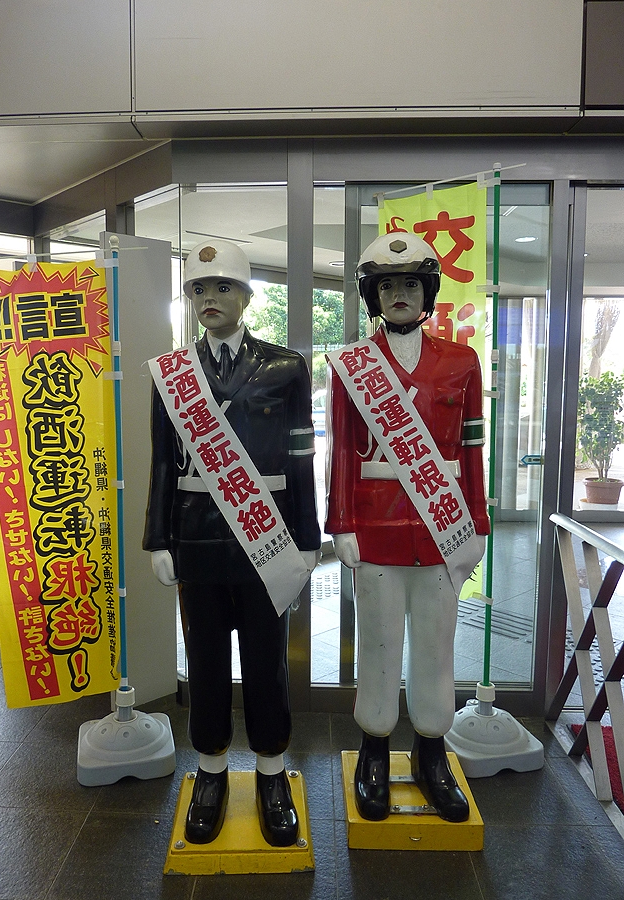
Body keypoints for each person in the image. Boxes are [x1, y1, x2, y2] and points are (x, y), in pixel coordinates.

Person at [143, 239, 321, 846]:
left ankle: (272, 773)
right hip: (196, 539)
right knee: (206, 661)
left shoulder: (286, 367)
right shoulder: (172, 374)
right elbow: (162, 462)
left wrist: (307, 535)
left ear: (246, 296)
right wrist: (158, 538)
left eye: (222, 287)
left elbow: (302, 456)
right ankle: (211, 772)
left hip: (267, 538)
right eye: (198, 289)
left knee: (268, 662)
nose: (209, 298)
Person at [325, 232, 490, 823]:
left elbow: (471, 447)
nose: (399, 294)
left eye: (411, 284)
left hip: (444, 528)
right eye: (388, 284)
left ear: (428, 292)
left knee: (437, 646)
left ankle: (431, 752)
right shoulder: (352, 366)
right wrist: (341, 523)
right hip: (375, 528)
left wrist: (477, 518)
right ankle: (373, 750)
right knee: (377, 643)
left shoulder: (462, 361)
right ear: (373, 294)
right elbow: (341, 448)